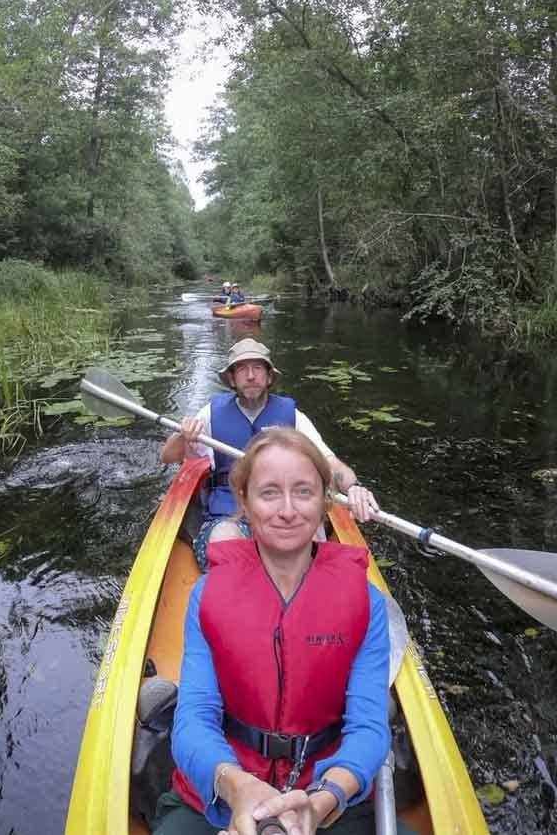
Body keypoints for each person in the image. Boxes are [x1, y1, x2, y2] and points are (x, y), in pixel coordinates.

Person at [152, 429, 414, 835]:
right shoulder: (206, 595)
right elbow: (194, 719)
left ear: (325, 500)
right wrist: (237, 787)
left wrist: (322, 799)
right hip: (223, 791)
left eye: (304, 492)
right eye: (269, 493)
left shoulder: (368, 604)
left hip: (329, 793)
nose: (288, 510)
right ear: (244, 501)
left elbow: (367, 727)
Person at [159, 338, 379, 571]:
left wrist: (354, 487)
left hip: (283, 513)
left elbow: (330, 463)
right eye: (242, 369)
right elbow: (168, 456)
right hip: (230, 513)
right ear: (232, 379)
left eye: (257, 368)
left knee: (309, 543)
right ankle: (236, 588)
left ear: (269, 376)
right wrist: (183, 435)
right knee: (225, 538)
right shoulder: (211, 414)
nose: (251, 376)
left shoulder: (293, 417)